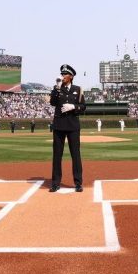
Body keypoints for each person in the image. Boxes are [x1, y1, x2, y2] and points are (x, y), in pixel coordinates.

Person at [49, 64, 86, 193]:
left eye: (65, 74)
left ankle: (78, 183)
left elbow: (83, 107)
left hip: (73, 126)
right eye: (62, 74)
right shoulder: (56, 88)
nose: (62, 76)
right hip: (59, 126)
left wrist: (74, 107)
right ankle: (55, 183)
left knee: (75, 155)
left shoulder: (78, 89)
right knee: (57, 155)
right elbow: (53, 102)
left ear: (71, 76)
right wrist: (57, 88)